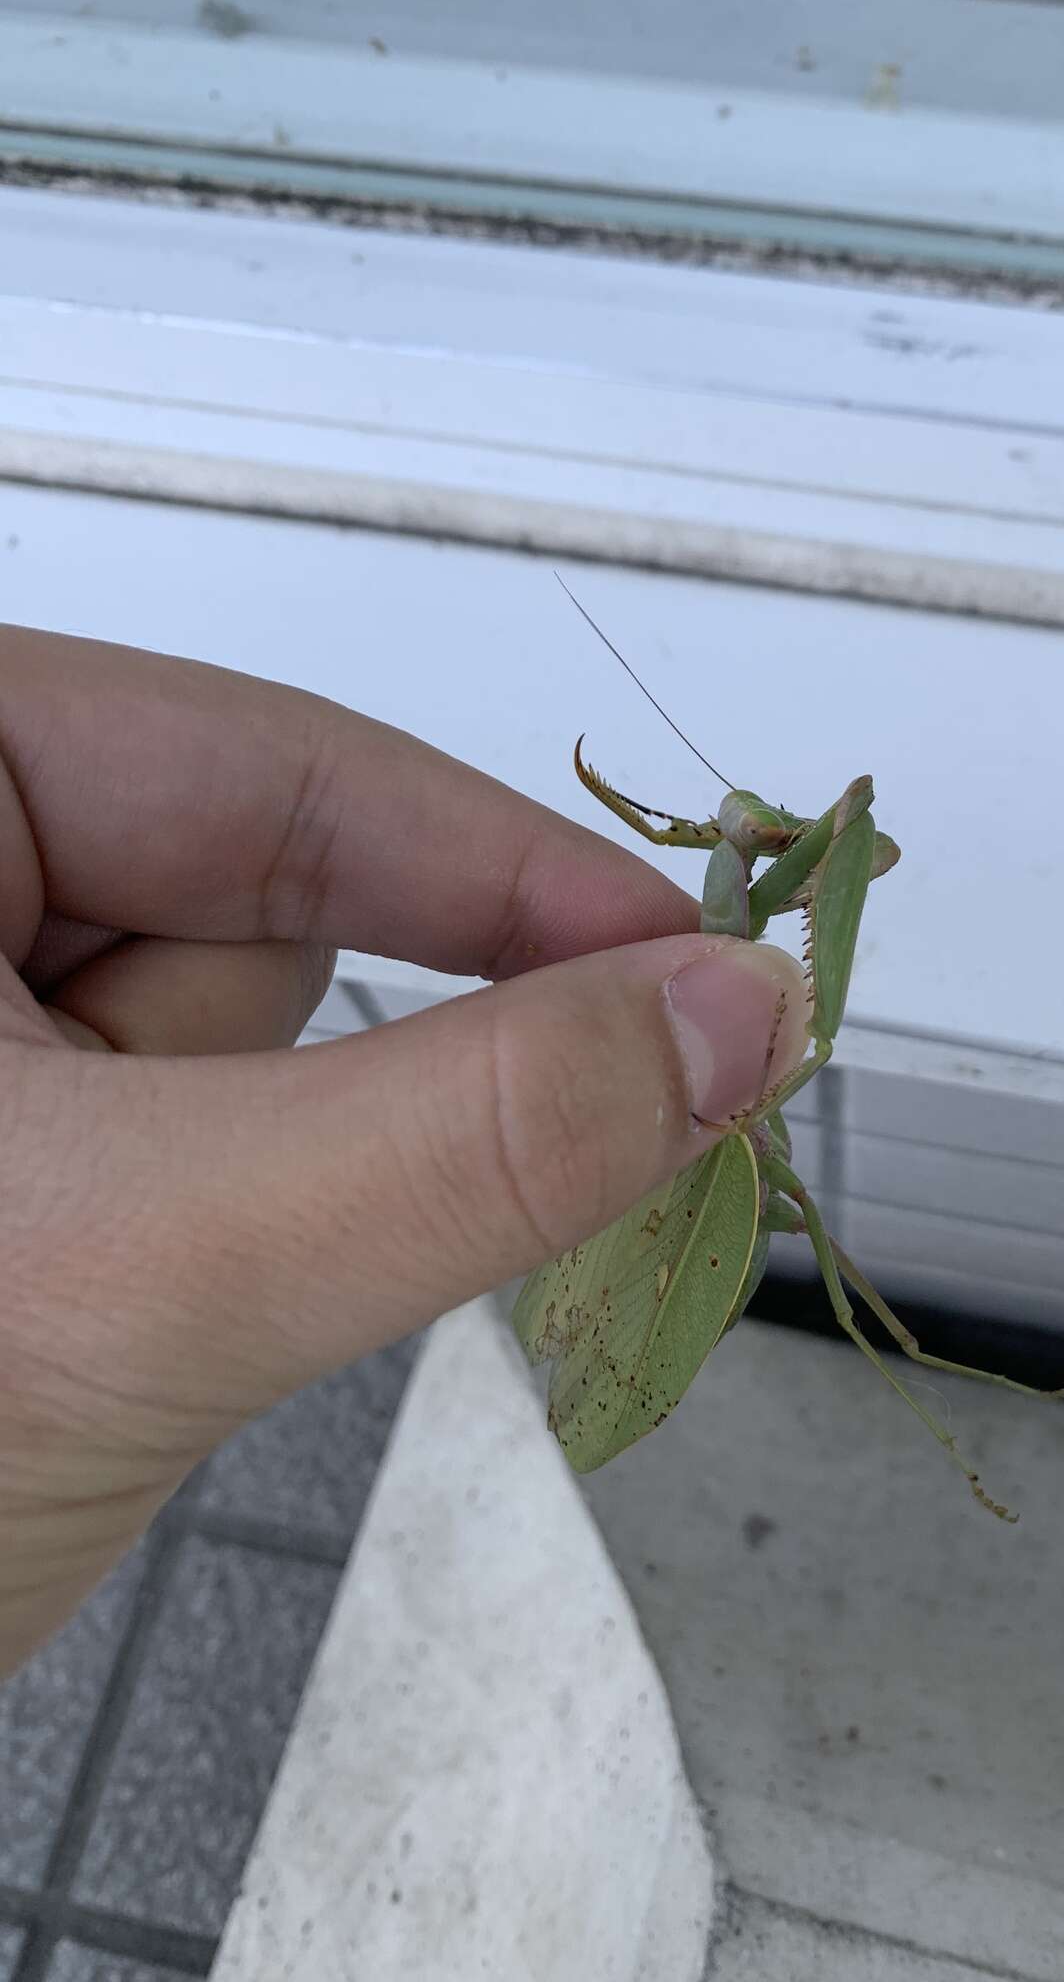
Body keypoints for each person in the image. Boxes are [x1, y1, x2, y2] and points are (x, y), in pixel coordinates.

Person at [0, 624, 809, 1675]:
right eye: (752, 830)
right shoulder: (704, 958)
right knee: (788, 1207)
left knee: (776, 1198)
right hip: (718, 1170)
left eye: (751, 829)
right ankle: (894, 1346)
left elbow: (859, 850)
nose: (754, 830)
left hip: (707, 1167)